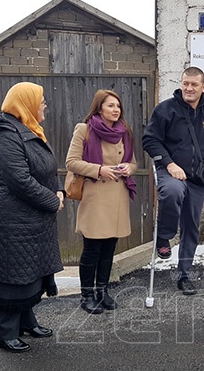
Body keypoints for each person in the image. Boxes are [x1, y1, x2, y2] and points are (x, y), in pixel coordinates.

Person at [0, 82, 64, 353]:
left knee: (31, 271)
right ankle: (5, 333)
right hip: (11, 219)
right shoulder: (5, 136)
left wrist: (59, 190)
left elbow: (44, 170)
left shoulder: (28, 129)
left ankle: (27, 322)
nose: (44, 106)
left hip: (32, 218)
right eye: (40, 101)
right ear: (26, 103)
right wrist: (53, 200)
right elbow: (20, 181)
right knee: (13, 274)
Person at [142, 67, 204, 295]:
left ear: (203, 87)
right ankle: (164, 236)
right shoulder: (166, 109)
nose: (189, 88)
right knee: (172, 192)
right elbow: (150, 141)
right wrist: (169, 164)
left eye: (194, 84)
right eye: (185, 83)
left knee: (191, 224)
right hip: (171, 171)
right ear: (181, 84)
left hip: (199, 176)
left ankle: (184, 275)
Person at [65, 90, 137, 313]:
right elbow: (72, 162)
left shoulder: (124, 132)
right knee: (92, 248)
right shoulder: (85, 129)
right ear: (99, 108)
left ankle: (102, 291)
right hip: (96, 196)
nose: (116, 110)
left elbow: (133, 162)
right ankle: (86, 295)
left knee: (109, 248)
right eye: (110, 106)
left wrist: (128, 168)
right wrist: (99, 170)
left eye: (118, 106)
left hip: (117, 197)